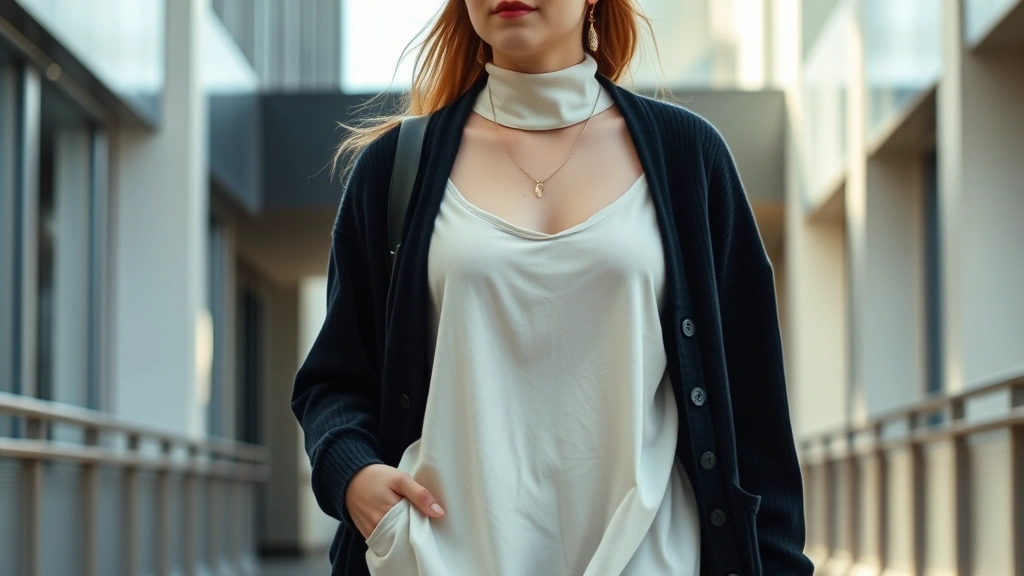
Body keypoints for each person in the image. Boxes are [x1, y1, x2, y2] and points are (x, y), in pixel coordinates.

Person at [292, 1, 813, 575]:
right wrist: (353, 475)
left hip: (652, 558)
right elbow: (334, 378)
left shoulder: (690, 159)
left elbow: (755, 409)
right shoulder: (395, 169)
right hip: (442, 560)